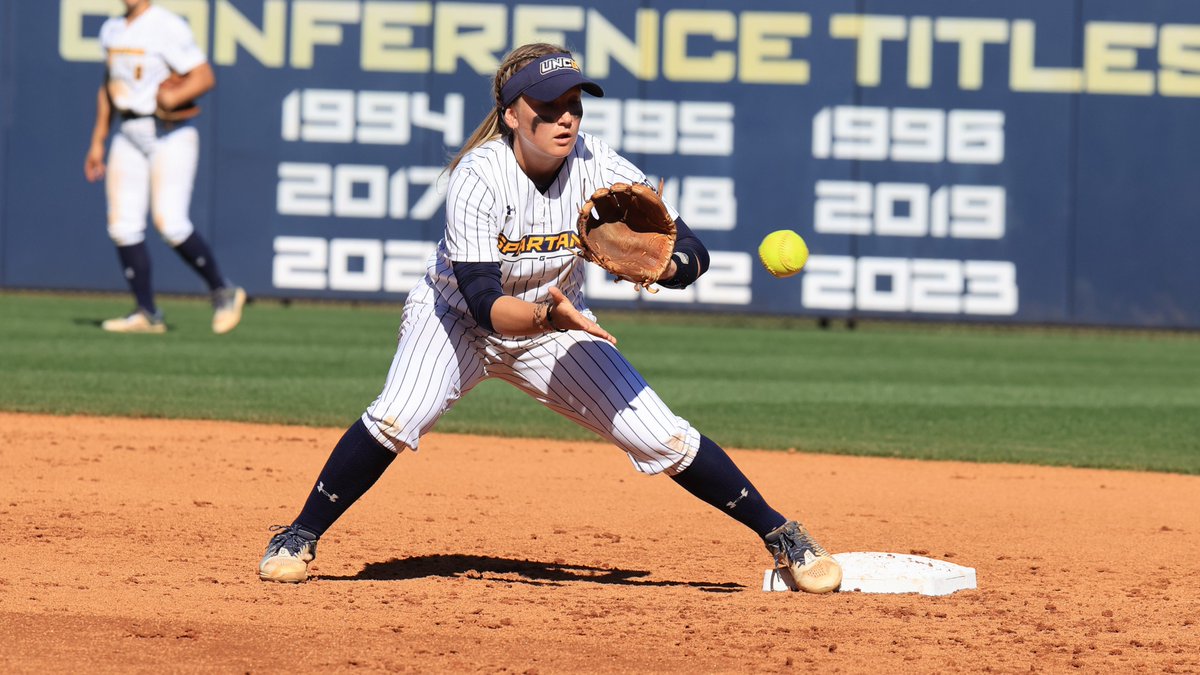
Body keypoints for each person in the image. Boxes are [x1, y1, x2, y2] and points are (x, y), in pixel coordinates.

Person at [257, 43, 842, 593]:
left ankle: (784, 536)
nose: (566, 119)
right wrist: (547, 316)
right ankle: (299, 533)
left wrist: (668, 269)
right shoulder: (479, 176)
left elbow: (692, 251)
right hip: (455, 320)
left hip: (559, 325)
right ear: (512, 114)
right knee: (396, 415)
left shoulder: (597, 165)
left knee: (659, 434)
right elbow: (486, 304)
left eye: (574, 105)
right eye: (549, 106)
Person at [84, 0, 245, 334]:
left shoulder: (167, 25)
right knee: (122, 225)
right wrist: (98, 139)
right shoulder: (112, 29)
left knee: (170, 222)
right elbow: (108, 86)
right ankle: (147, 313)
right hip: (128, 130)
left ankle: (223, 290)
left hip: (168, 133)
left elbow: (204, 76)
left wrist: (175, 96)